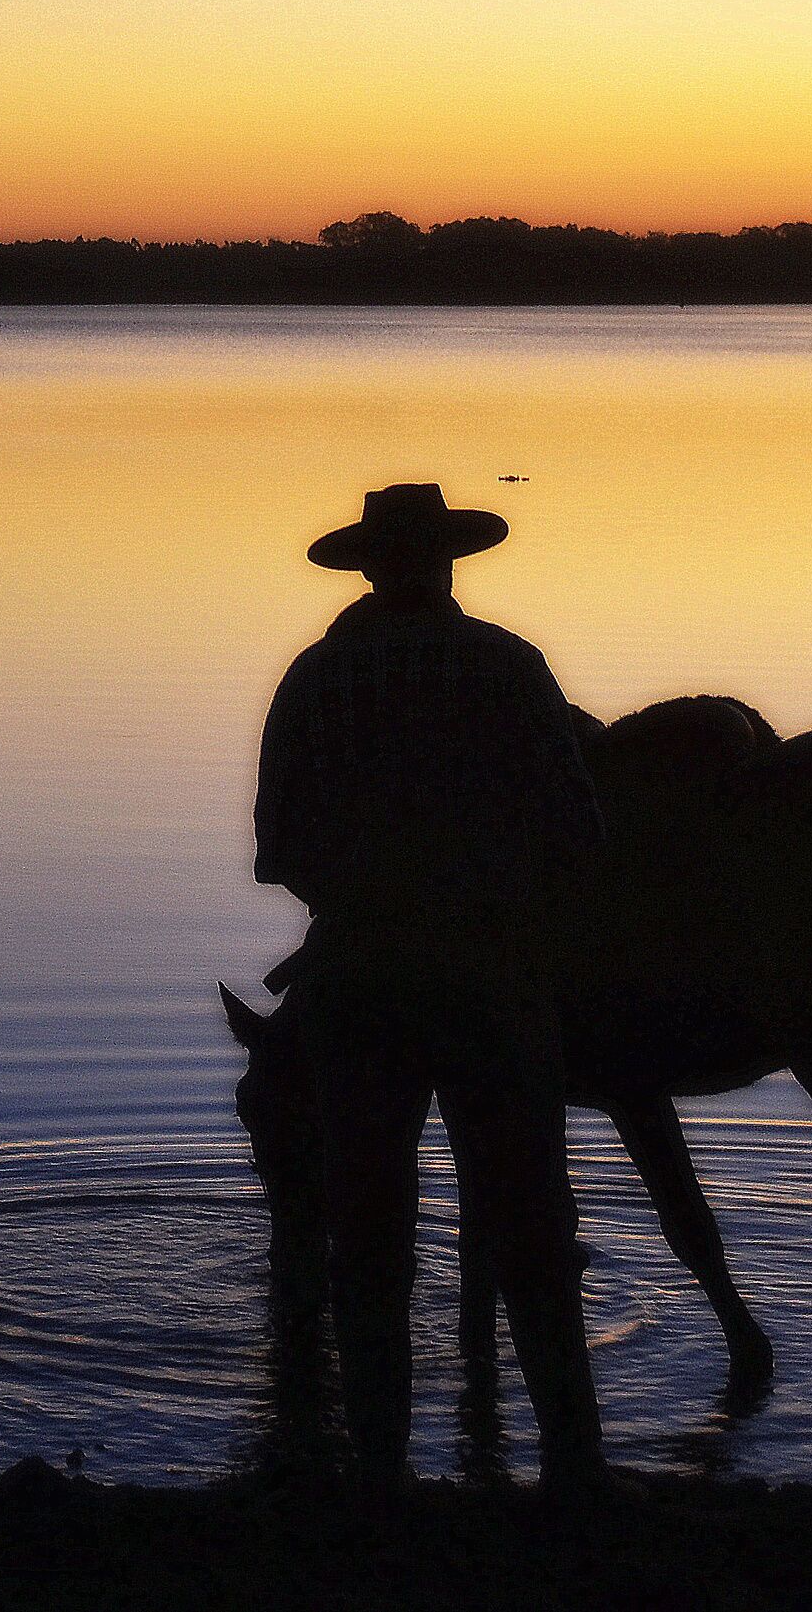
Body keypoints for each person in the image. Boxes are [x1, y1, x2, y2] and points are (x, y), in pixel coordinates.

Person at [255, 481, 607, 1494]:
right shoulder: (513, 666)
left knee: (368, 1232)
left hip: (360, 982)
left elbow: (281, 850)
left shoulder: (314, 679)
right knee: (532, 1222)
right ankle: (574, 1470)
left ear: (368, 567)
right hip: (492, 979)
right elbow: (578, 833)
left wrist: (366, 899)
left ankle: (378, 1472)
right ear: (450, 562)